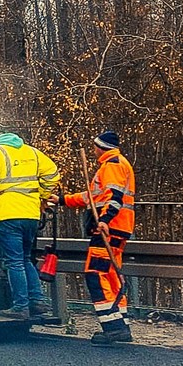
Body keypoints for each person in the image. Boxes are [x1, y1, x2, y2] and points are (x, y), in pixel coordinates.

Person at [0, 125, 60, 322]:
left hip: (7, 214)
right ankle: (38, 301)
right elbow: (53, 174)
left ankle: (20, 306)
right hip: (31, 214)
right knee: (25, 258)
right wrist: (43, 196)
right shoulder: (31, 151)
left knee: (14, 261)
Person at [60, 130, 136, 344]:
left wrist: (105, 220)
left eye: (95, 146)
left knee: (95, 273)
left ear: (101, 147)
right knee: (111, 276)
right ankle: (121, 325)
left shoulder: (112, 164)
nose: (93, 150)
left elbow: (114, 197)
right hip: (118, 227)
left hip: (108, 228)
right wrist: (62, 200)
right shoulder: (113, 164)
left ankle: (112, 327)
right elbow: (91, 198)